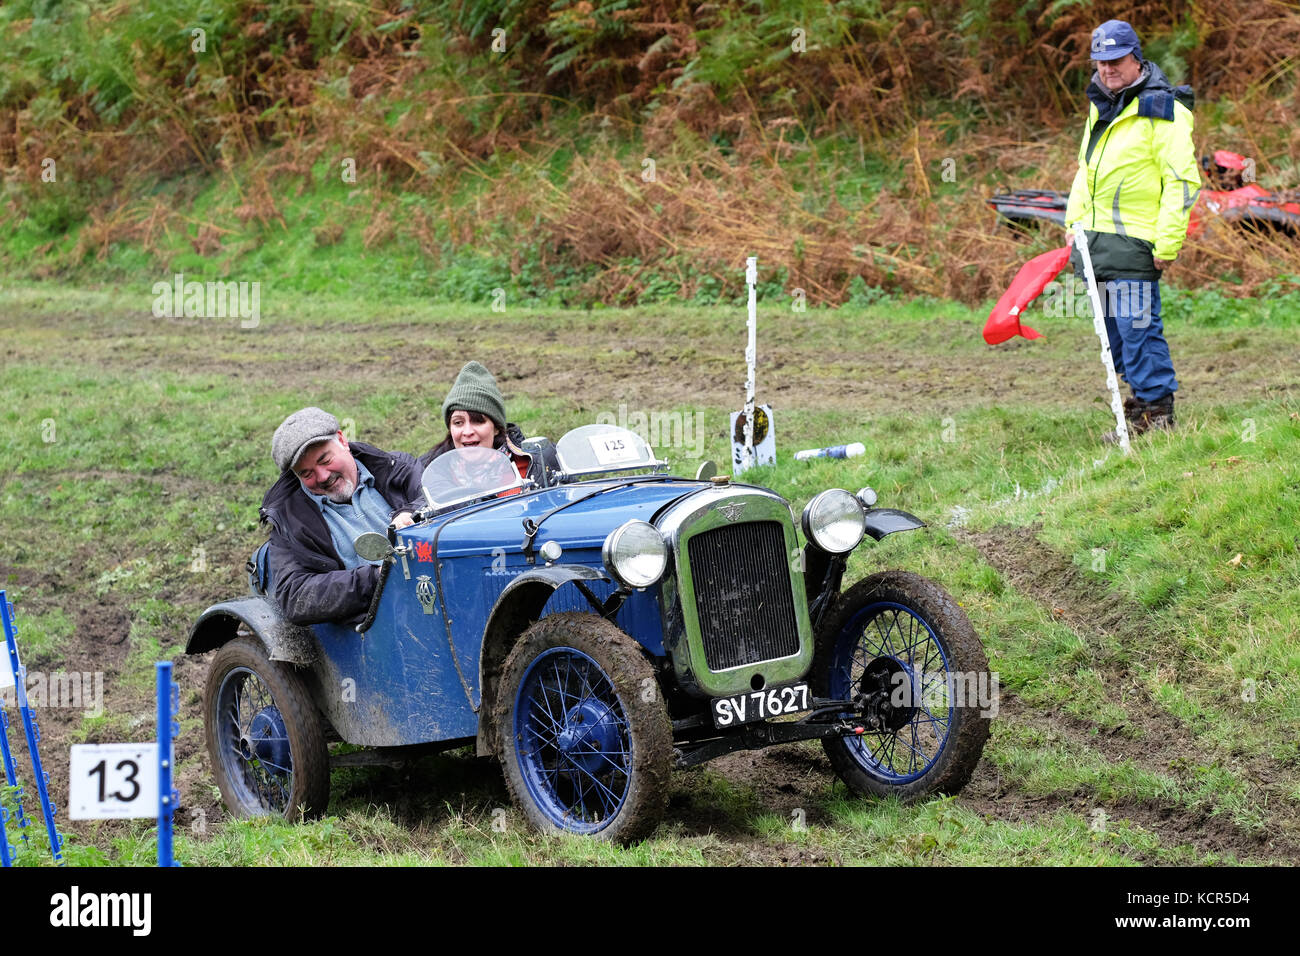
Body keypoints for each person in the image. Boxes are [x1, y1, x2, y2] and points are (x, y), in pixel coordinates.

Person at [1064, 19, 1200, 439]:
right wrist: (1073, 222)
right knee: (1114, 336)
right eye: (1101, 62)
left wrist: (1168, 241)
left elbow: (1182, 180)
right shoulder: (1099, 104)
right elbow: (1086, 171)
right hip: (1094, 241)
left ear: (1136, 58)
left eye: (1116, 61)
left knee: (1137, 331)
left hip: (1137, 241)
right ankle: (1141, 406)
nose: (1108, 70)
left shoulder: (1163, 108)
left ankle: (1158, 414)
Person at [261, 407, 422, 626]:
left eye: (325, 460)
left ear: (342, 440)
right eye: (306, 473)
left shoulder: (397, 469)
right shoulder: (288, 522)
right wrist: (376, 577)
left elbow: (442, 495)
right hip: (382, 625)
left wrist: (409, 513)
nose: (323, 476)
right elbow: (295, 596)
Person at [418, 361, 538, 480]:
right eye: (458, 423)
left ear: (496, 428)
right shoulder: (426, 472)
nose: (467, 432)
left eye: (478, 421)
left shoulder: (534, 466)